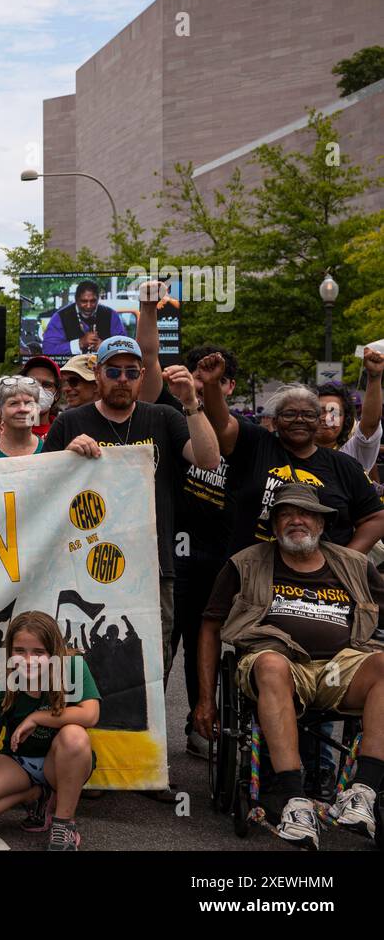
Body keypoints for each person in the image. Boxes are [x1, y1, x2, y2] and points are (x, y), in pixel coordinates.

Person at [194, 482, 384, 848]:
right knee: (270, 664)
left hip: (339, 666)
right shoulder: (245, 564)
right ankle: (295, 801)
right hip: (277, 662)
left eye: (305, 513)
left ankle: (362, 793)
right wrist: (205, 699)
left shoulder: (354, 565)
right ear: (274, 525)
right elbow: (210, 625)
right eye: (285, 514)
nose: (296, 520)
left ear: (321, 523)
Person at [44, 336, 222, 682]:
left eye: (131, 372)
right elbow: (41, 488)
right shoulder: (70, 422)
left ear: (142, 376)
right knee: (85, 657)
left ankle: (148, 737)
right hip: (85, 566)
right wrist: (66, 454)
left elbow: (209, 460)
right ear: (98, 375)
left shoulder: (164, 417)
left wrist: (191, 404)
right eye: (113, 370)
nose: (122, 379)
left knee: (153, 660)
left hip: (151, 566)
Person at [0, 611, 101, 850]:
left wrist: (37, 717)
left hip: (61, 762)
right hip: (20, 762)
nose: (28, 660)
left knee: (75, 735)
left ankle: (63, 824)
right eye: (20, 651)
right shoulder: (1, 688)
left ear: (54, 652)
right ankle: (35, 795)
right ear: (9, 653)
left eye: (39, 652)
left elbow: (90, 715)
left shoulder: (72, 667)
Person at [199, 377, 384, 557]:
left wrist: (345, 559)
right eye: (289, 414)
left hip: (322, 584)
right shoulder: (256, 445)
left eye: (309, 414)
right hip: (253, 576)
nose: (299, 420)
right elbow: (221, 423)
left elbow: (376, 518)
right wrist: (211, 382)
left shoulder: (344, 465)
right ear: (275, 421)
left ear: (318, 421)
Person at [171, 345, 243, 759]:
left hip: (217, 561)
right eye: (193, 381)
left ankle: (201, 722)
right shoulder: (178, 421)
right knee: (160, 646)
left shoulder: (241, 435)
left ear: (227, 385)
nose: (196, 388)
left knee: (204, 647)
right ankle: (146, 737)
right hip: (171, 557)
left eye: (210, 381)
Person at [314, 347, 383, 471]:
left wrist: (374, 377)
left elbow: (370, 426)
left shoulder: (353, 452)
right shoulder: (293, 452)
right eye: (319, 412)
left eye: (334, 412)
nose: (326, 418)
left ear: (345, 419)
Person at [40, 279, 131, 356]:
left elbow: (125, 346)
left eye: (93, 301)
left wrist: (106, 346)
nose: (88, 306)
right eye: (84, 301)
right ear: (76, 299)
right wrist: (79, 343)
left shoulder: (111, 315)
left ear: (98, 299)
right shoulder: (60, 317)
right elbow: (48, 350)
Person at [0, 376, 45, 457]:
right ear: (0, 410)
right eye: (13, 403)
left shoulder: (48, 449)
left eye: (29, 403)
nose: (23, 409)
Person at [21, 355, 62, 436]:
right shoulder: (4, 431)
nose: (38, 390)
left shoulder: (63, 432)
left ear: (56, 395)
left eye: (47, 385)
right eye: (31, 383)